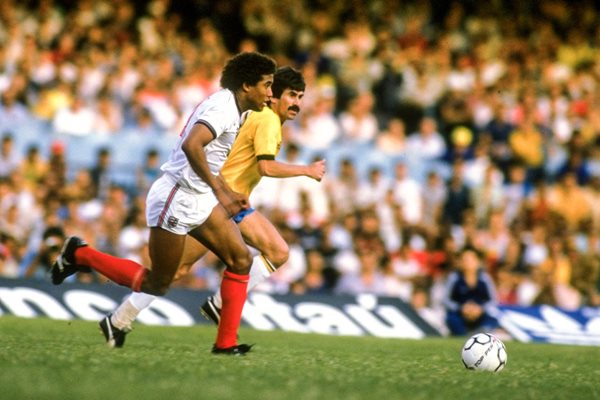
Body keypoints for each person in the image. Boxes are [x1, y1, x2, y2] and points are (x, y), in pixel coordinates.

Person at [50, 52, 278, 356]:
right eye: (267, 85)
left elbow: (209, 157)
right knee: (158, 283)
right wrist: (221, 192)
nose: (270, 93)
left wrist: (224, 190)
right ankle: (80, 254)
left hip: (199, 196)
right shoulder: (223, 109)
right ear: (247, 86)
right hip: (176, 197)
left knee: (240, 259)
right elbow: (191, 145)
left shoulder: (237, 109)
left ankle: (225, 344)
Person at [101, 66, 326, 347]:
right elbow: (265, 166)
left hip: (227, 199)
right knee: (177, 272)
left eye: (301, 97)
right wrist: (306, 169)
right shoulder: (267, 120)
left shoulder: (261, 117)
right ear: (274, 95)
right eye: (292, 95)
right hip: (219, 201)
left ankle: (120, 319)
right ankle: (122, 310)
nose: (297, 103)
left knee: (267, 253)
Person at [443, 244, 499, 336]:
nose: (467, 263)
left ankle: (480, 333)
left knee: (492, 320)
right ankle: (463, 335)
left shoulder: (484, 278)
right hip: (460, 314)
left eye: (471, 259)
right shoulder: (454, 278)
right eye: (464, 260)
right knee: (452, 319)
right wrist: (461, 308)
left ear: (478, 262)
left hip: (480, 314)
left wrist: (480, 309)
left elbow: (493, 300)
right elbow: (446, 300)